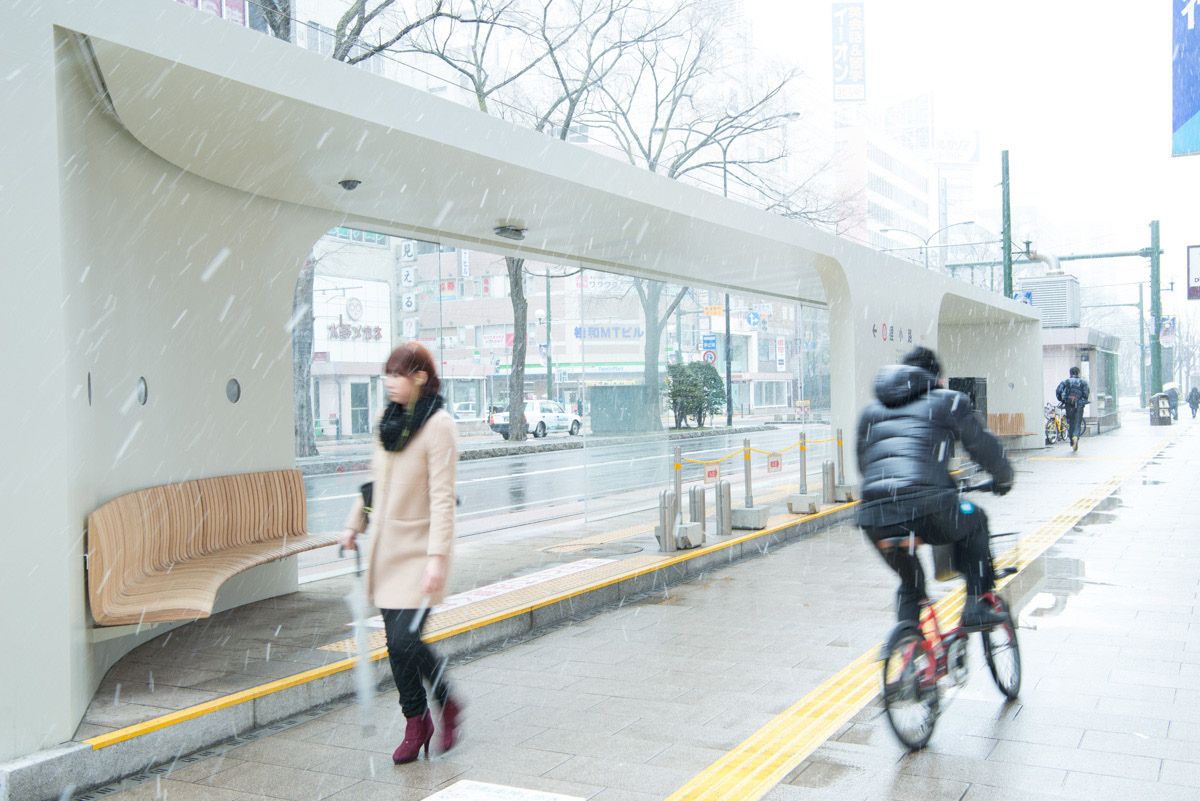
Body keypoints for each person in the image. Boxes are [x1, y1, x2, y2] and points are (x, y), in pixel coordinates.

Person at [339, 342, 462, 764]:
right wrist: (354, 524)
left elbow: (443, 498)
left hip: (420, 553)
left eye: (397, 375)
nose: (389, 382)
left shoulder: (440, 426)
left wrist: (437, 558)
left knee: (406, 640)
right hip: (386, 552)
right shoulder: (386, 420)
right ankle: (416, 721)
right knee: (396, 645)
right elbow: (376, 483)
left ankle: (446, 701)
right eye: (387, 374)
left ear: (420, 378)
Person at [857, 346, 1014, 630]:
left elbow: (863, 464)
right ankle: (976, 604)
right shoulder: (948, 400)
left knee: (910, 582)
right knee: (976, 521)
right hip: (928, 506)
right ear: (937, 378)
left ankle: (908, 645)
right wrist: (1004, 478)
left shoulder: (871, 411)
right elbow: (984, 447)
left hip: (874, 516)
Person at [1055, 367, 1090, 451]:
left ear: (1070, 373)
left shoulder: (1066, 381)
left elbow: (1058, 391)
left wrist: (1062, 399)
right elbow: (1086, 394)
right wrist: (1082, 399)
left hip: (1068, 404)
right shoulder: (1083, 382)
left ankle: (1071, 440)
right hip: (1079, 405)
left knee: (1071, 422)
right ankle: (1075, 436)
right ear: (1078, 373)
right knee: (1077, 422)